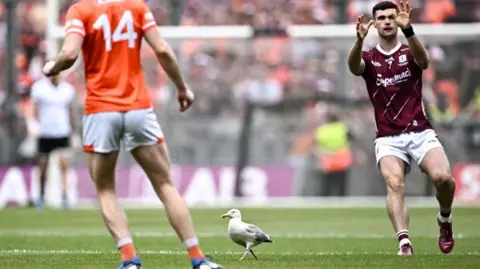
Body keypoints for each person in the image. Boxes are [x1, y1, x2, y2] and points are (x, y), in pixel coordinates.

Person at [41, 1, 223, 268]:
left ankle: (130, 261)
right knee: (165, 185)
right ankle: (198, 259)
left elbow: (69, 54)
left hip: (101, 110)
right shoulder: (136, 7)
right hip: (138, 107)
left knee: (105, 188)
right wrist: (182, 88)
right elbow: (162, 49)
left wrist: (52, 68)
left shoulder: (80, 10)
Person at [347, 1, 455, 256]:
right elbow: (353, 68)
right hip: (388, 137)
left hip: (420, 131)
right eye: (381, 17)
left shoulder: (410, 50)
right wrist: (359, 42)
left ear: (398, 20)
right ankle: (404, 242)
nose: (386, 21)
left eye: (390, 17)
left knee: (443, 179)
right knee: (394, 183)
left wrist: (410, 31)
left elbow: (424, 61)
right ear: (374, 23)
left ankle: (445, 219)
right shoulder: (370, 57)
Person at [30, 73, 76, 210]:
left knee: (64, 164)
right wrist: (32, 123)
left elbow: (71, 110)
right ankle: (41, 196)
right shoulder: (39, 87)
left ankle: (65, 196)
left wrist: (74, 130)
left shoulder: (68, 89)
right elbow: (33, 107)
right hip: (45, 132)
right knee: (43, 166)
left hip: (63, 132)